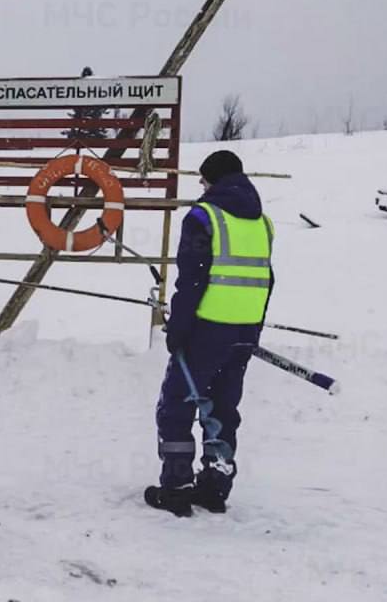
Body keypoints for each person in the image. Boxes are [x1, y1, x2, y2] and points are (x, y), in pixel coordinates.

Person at [145, 150, 274, 517]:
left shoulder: (203, 217)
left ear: (214, 179)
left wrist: (178, 329)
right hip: (243, 332)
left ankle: (176, 488)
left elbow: (192, 280)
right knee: (223, 408)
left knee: (177, 405)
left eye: (203, 179)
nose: (201, 185)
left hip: (205, 330)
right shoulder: (263, 223)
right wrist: (253, 328)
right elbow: (267, 280)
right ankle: (215, 487)